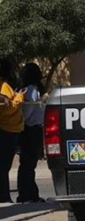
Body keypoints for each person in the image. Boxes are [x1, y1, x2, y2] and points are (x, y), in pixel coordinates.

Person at [17, 63, 45, 203]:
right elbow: (27, 114)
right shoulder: (30, 90)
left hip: (32, 130)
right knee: (28, 164)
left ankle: (31, 194)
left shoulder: (32, 90)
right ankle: (26, 195)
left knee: (29, 164)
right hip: (31, 130)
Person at [0, 60, 25, 204]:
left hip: (8, 130)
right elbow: (8, 109)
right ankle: (4, 196)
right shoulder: (4, 87)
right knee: (4, 166)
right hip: (8, 130)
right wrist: (19, 97)